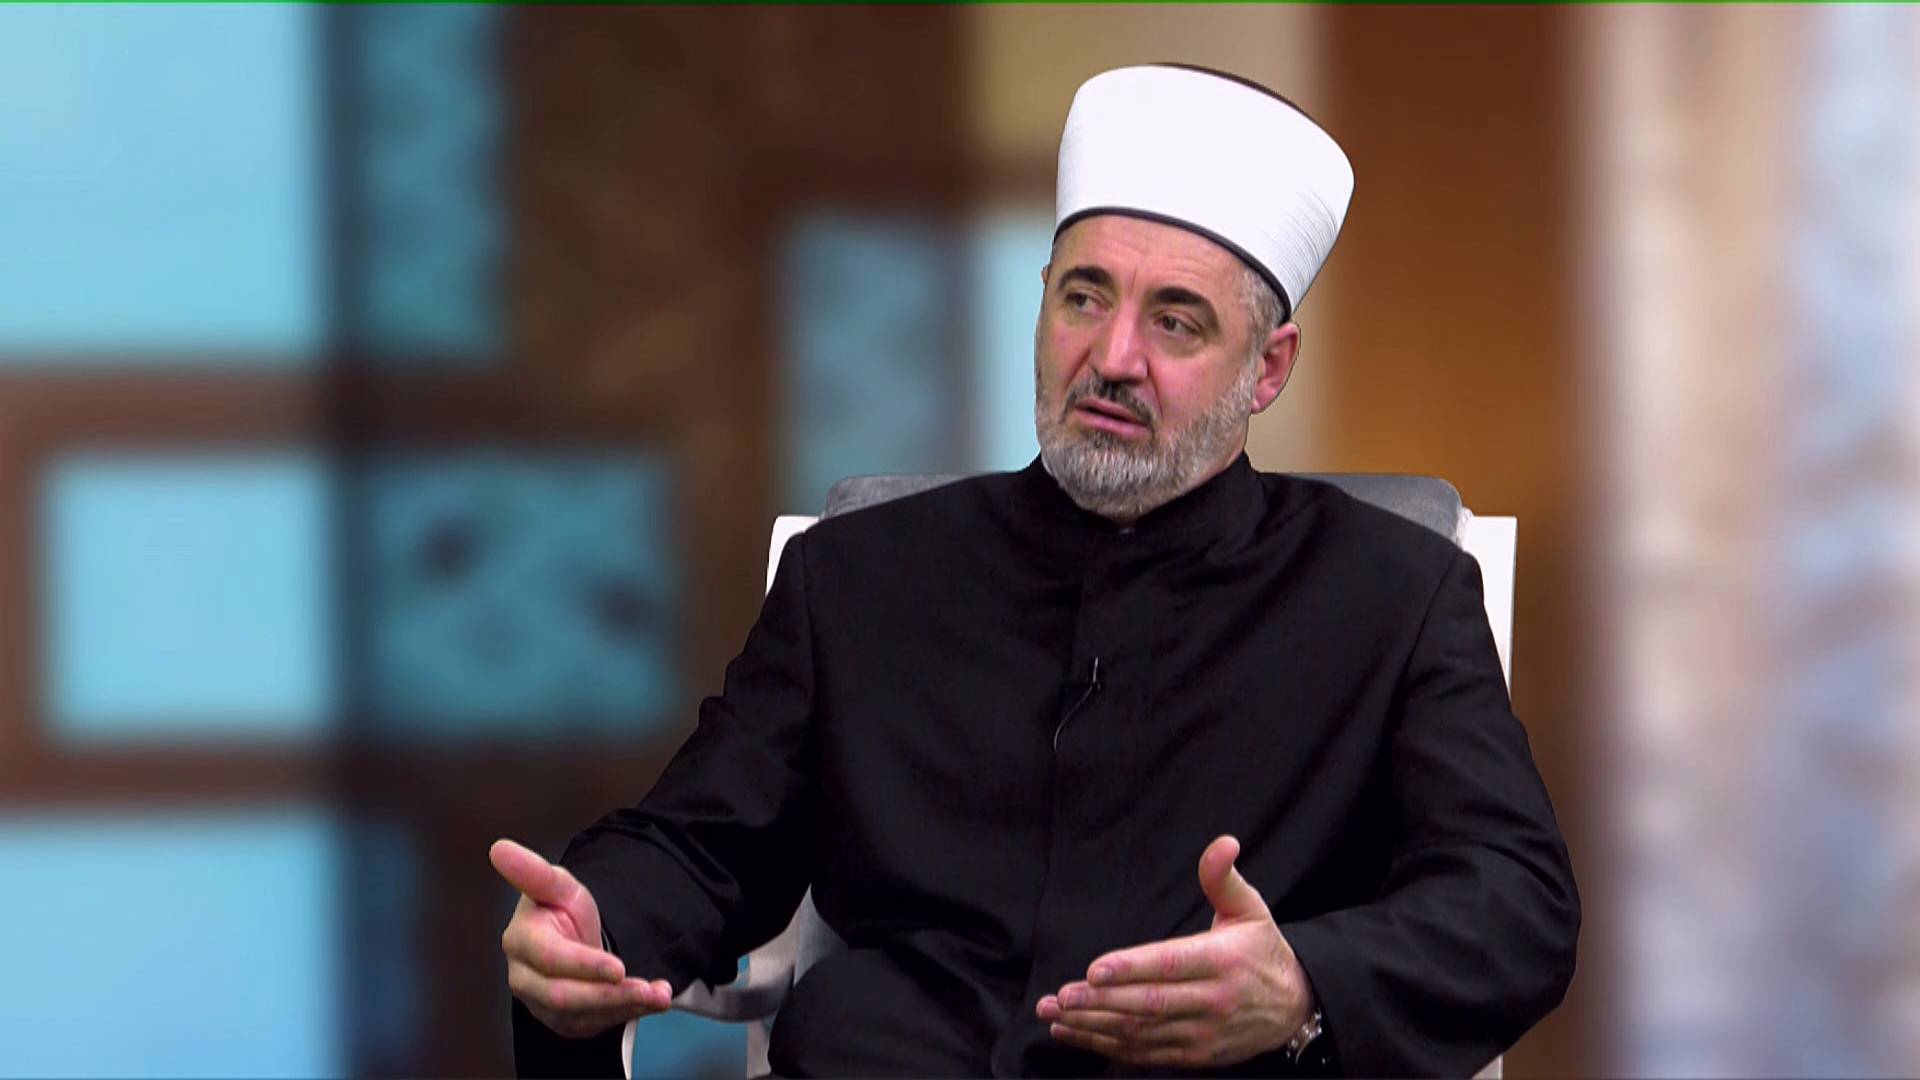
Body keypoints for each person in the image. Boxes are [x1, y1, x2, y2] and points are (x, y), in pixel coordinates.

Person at [494, 64, 1579, 1077]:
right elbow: (700, 845)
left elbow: (1516, 902)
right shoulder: (857, 578)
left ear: (1269, 368)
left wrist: (1302, 984)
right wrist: (594, 925)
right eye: (1084, 298)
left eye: (1176, 321)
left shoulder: (1392, 594)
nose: (1112, 358)